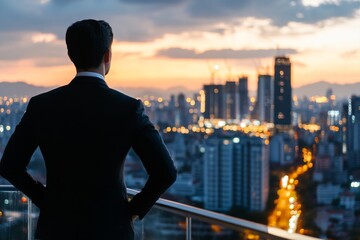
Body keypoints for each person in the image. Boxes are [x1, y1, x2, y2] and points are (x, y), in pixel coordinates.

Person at [0, 19, 177, 240]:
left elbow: (9, 165)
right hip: (111, 230)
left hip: (56, 229)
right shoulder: (128, 108)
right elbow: (166, 172)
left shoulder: (42, 106)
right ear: (107, 56)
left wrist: (45, 199)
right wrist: (132, 211)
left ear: (71, 55)